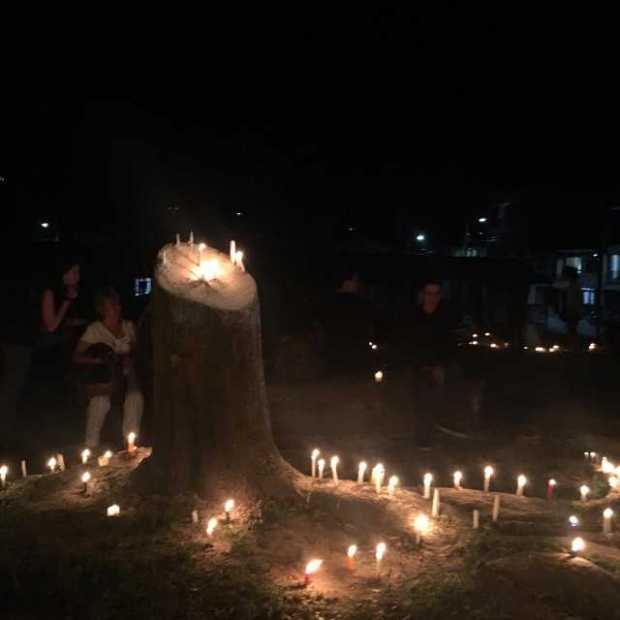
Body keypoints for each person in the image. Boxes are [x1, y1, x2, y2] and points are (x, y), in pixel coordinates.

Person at [74, 287, 143, 449]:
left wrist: (129, 358)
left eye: (117, 304)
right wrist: (100, 360)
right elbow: (77, 357)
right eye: (112, 305)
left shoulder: (128, 327)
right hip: (106, 378)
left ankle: (130, 444)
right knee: (99, 402)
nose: (117, 308)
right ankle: (90, 446)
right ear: (102, 309)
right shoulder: (95, 330)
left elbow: (138, 352)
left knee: (135, 398)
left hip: (127, 376)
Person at [404, 278, 457, 448]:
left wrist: (440, 365)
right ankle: (420, 435)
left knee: (432, 395)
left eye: (436, 294)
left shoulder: (445, 317)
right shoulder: (414, 315)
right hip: (417, 366)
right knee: (418, 397)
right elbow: (409, 343)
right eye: (429, 293)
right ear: (423, 294)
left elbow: (448, 345)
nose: (432, 298)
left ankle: (429, 435)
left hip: (437, 366)